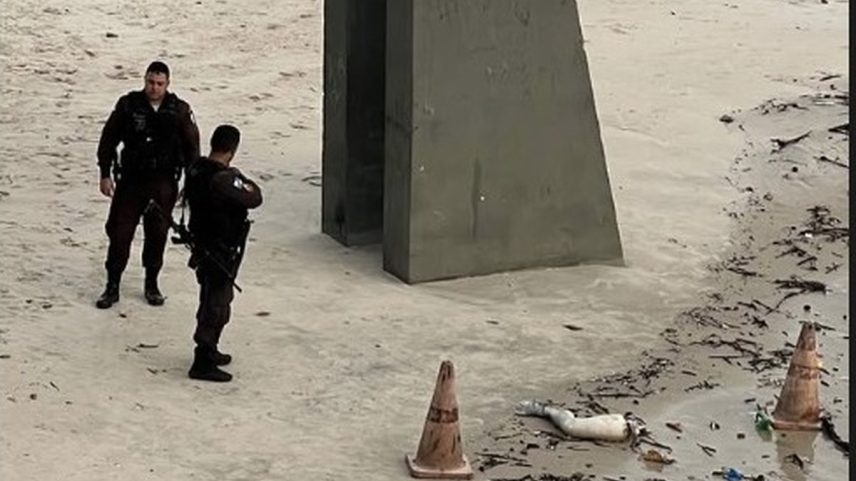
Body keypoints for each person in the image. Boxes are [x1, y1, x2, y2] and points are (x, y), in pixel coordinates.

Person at [95, 61, 200, 309]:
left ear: (167, 84)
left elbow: (192, 149)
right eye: (150, 82)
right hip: (131, 181)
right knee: (119, 234)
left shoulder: (179, 110)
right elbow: (108, 139)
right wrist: (105, 173)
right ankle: (112, 286)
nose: (154, 88)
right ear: (145, 80)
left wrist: (191, 184)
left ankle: (151, 284)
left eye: (159, 84)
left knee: (157, 235)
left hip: (163, 183)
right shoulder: (129, 105)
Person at [184, 125, 262, 382]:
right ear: (232, 150)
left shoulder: (197, 170)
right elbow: (254, 197)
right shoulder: (223, 179)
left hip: (205, 246)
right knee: (217, 303)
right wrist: (241, 178)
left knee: (211, 298)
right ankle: (203, 359)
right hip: (219, 250)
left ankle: (210, 349)